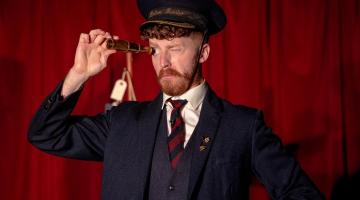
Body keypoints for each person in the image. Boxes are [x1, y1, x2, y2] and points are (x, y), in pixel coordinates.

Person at [28, 0, 325, 199]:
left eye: (177, 48)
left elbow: (301, 193)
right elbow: (45, 135)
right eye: (156, 49)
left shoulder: (243, 126)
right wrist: (79, 74)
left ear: (203, 53)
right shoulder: (120, 123)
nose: (164, 61)